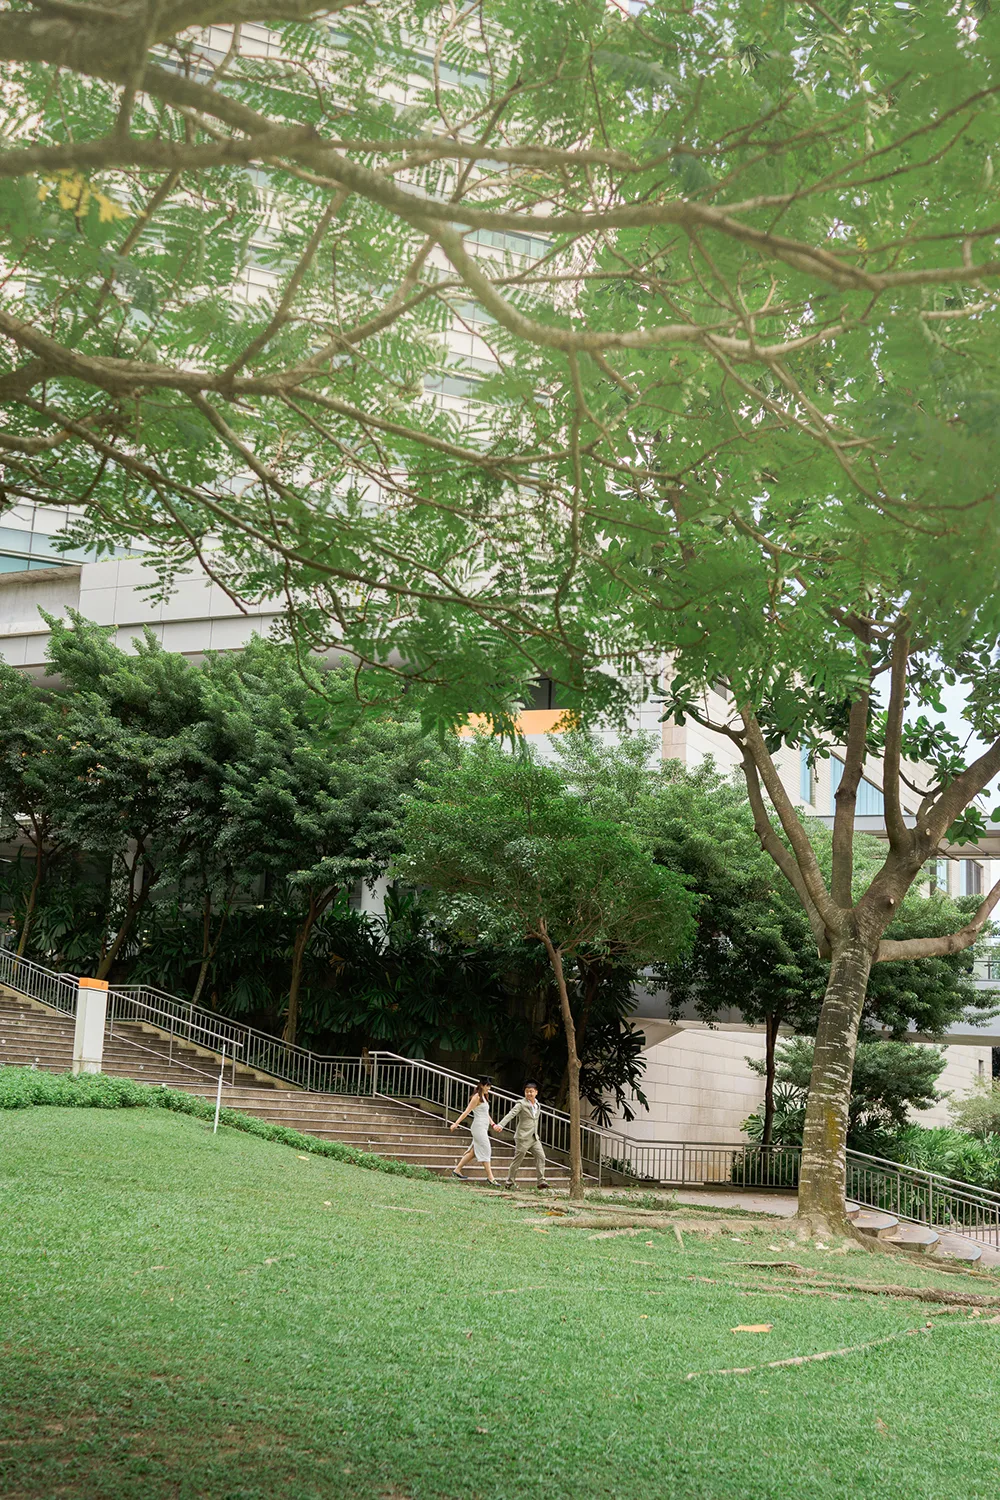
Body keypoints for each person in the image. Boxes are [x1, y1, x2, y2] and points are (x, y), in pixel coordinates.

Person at [498, 1081, 550, 1190]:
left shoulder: (537, 1104)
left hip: (534, 1137)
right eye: (527, 1092)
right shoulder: (521, 1104)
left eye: (531, 1091)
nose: (529, 1094)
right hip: (522, 1137)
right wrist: (501, 1125)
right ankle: (509, 1183)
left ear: (536, 1092)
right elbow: (511, 1114)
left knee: (541, 1157)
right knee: (517, 1161)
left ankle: (541, 1181)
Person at [450, 1078, 501, 1185]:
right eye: (487, 1086)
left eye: (490, 1086)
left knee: (473, 1152)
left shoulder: (484, 1097)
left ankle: (457, 1170)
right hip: (478, 1127)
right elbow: (466, 1111)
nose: (489, 1088)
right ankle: (490, 1177)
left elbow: (486, 1114)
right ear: (482, 1085)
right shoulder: (476, 1097)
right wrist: (456, 1123)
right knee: (486, 1149)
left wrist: (493, 1124)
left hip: (483, 1126)